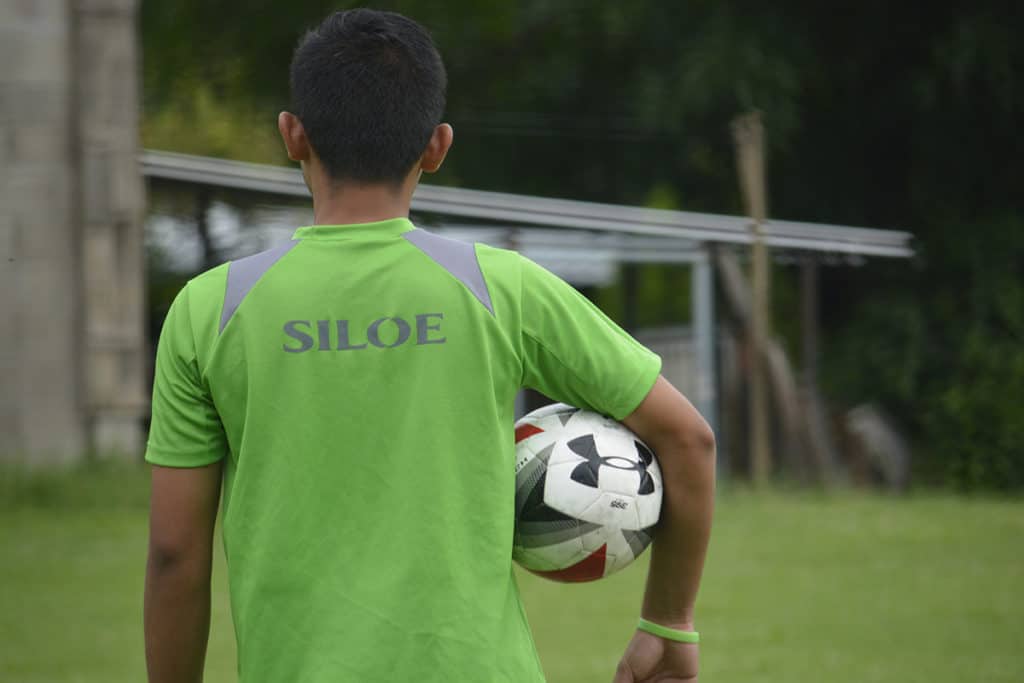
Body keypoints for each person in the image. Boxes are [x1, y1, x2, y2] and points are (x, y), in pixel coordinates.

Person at [143, 8, 715, 683]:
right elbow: (689, 439)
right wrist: (666, 622)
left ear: (293, 136)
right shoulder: (503, 287)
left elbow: (176, 553)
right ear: (437, 146)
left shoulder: (210, 310)